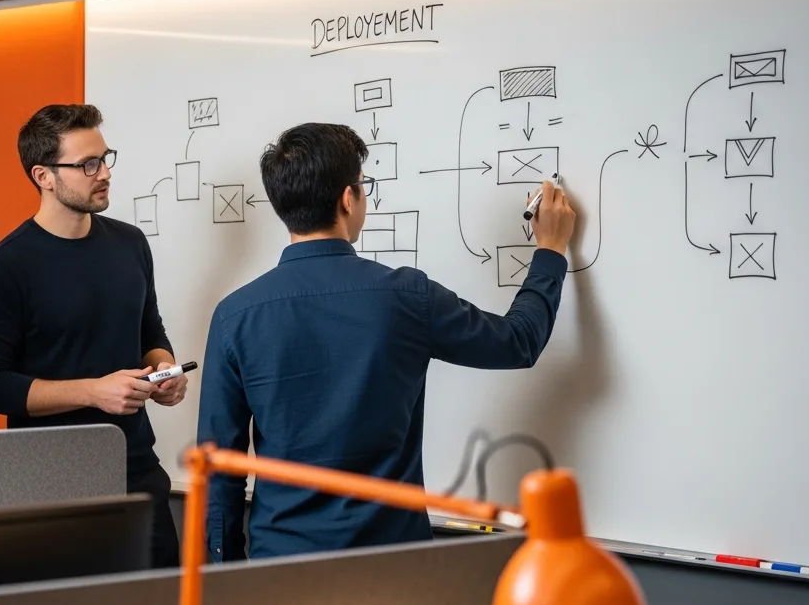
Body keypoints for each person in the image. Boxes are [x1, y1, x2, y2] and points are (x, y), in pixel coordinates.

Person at [197, 122, 576, 562]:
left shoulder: (234, 316)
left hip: (281, 565)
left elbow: (219, 469)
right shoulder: (405, 297)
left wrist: (226, 576)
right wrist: (550, 252)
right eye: (364, 186)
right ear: (347, 198)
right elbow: (518, 342)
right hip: (393, 566)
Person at [0, 104, 186, 568]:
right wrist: (94, 392)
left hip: (136, 468)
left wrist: (164, 367)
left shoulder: (129, 243)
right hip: (50, 483)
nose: (103, 173)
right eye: (87, 164)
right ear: (43, 175)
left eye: (105, 158)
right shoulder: (4, 267)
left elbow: (150, 330)